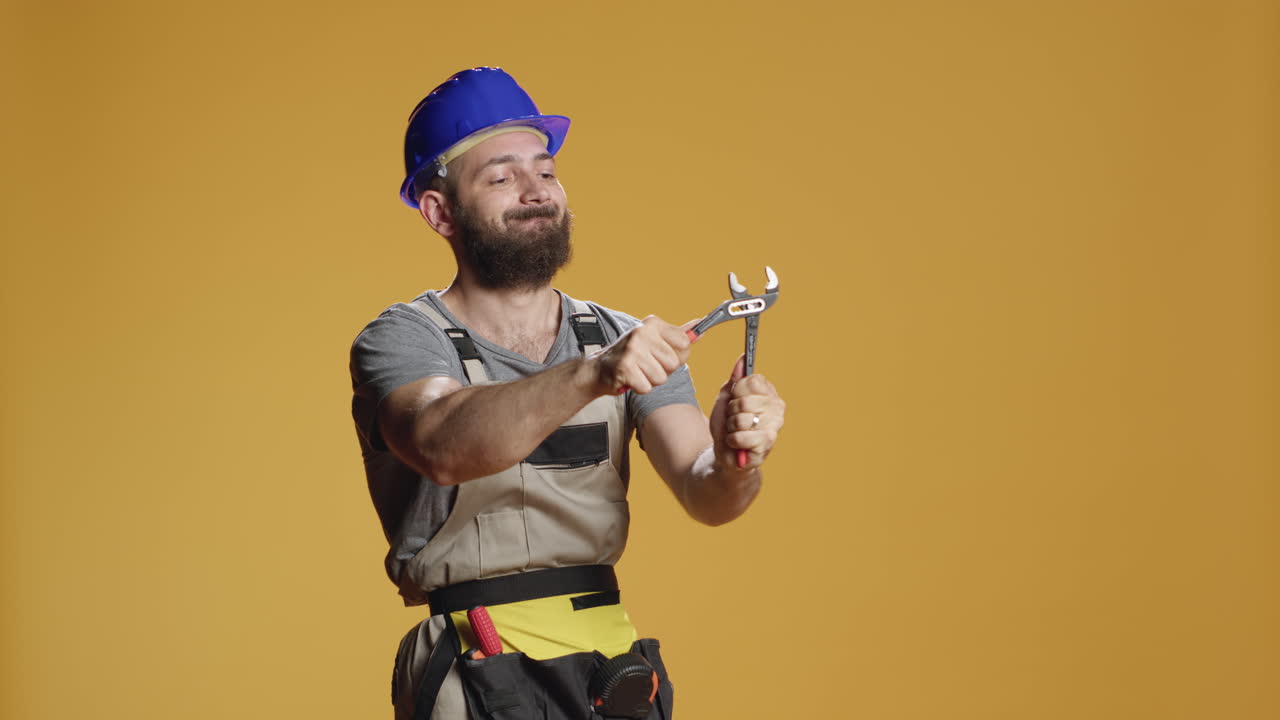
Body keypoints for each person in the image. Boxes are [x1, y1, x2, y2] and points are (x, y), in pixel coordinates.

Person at [348, 67, 787, 720]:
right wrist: (593, 374)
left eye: (546, 172)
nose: (536, 192)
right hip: (474, 661)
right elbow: (440, 440)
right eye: (501, 178)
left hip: (608, 658)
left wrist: (734, 457)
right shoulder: (404, 338)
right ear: (441, 212)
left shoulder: (623, 338)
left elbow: (708, 494)